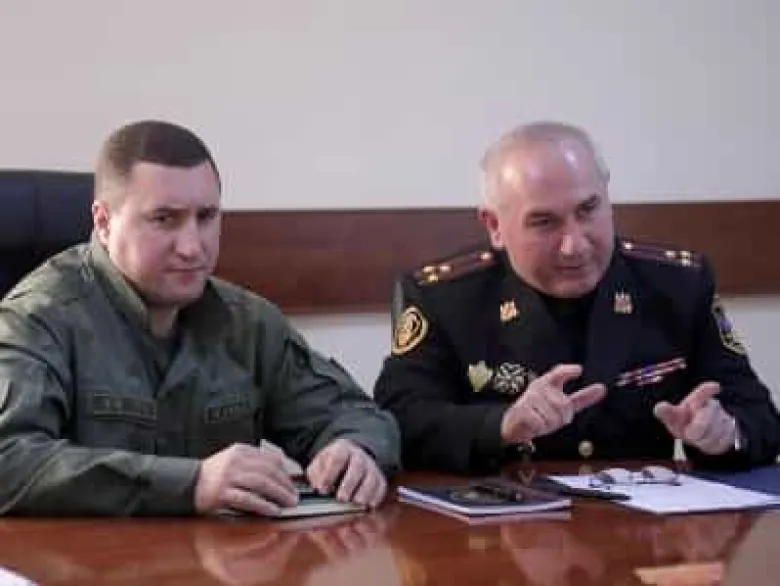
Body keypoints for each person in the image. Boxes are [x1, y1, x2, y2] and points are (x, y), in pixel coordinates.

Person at [0, 120, 399, 516]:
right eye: (164, 219)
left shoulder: (248, 323)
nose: (192, 247)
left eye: (206, 217)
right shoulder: (39, 318)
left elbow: (358, 415)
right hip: (85, 556)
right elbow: (9, 459)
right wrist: (192, 483)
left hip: (217, 554)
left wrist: (355, 448)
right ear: (103, 222)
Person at [374, 121, 780, 474]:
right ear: (494, 225)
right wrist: (501, 425)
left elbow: (760, 417)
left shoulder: (678, 285)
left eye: (588, 210)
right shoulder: (445, 297)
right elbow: (399, 420)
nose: (575, 245)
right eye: (544, 222)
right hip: (501, 526)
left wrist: (725, 434)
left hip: (640, 529)